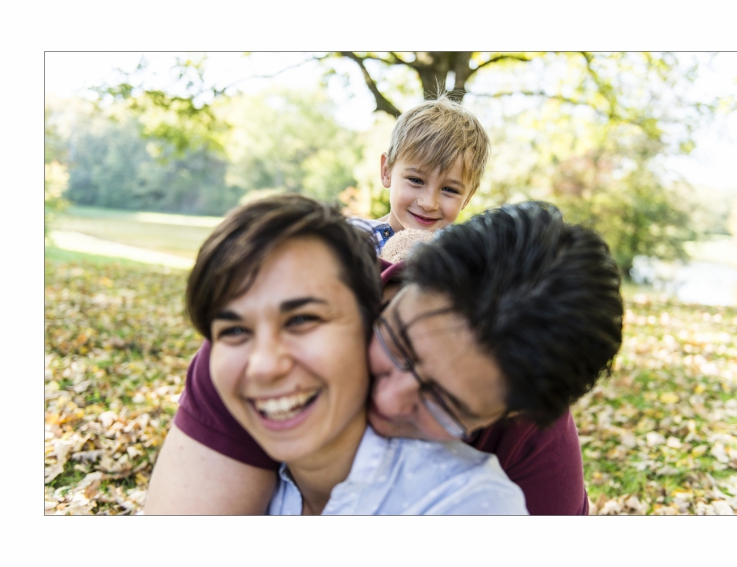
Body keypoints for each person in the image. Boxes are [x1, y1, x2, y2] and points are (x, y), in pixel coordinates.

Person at [144, 197, 624, 515]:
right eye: (399, 346)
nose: (391, 401)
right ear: (404, 279)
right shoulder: (273, 348)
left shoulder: (525, 460)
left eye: (444, 403)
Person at [349, 94, 490, 254]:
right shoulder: (350, 240)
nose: (429, 203)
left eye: (450, 190)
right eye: (416, 180)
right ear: (387, 171)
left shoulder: (461, 260)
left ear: (469, 196)